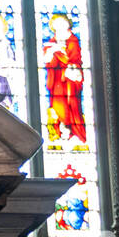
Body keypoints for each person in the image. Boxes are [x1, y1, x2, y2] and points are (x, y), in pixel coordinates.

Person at [43, 13, 87, 147]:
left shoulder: (73, 40)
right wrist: (52, 52)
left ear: (68, 23)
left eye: (62, 22)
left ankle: (74, 132)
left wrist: (64, 56)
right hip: (57, 80)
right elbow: (47, 60)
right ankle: (59, 131)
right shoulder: (52, 41)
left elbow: (75, 59)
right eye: (57, 24)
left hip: (71, 80)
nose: (60, 26)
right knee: (58, 106)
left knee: (72, 103)